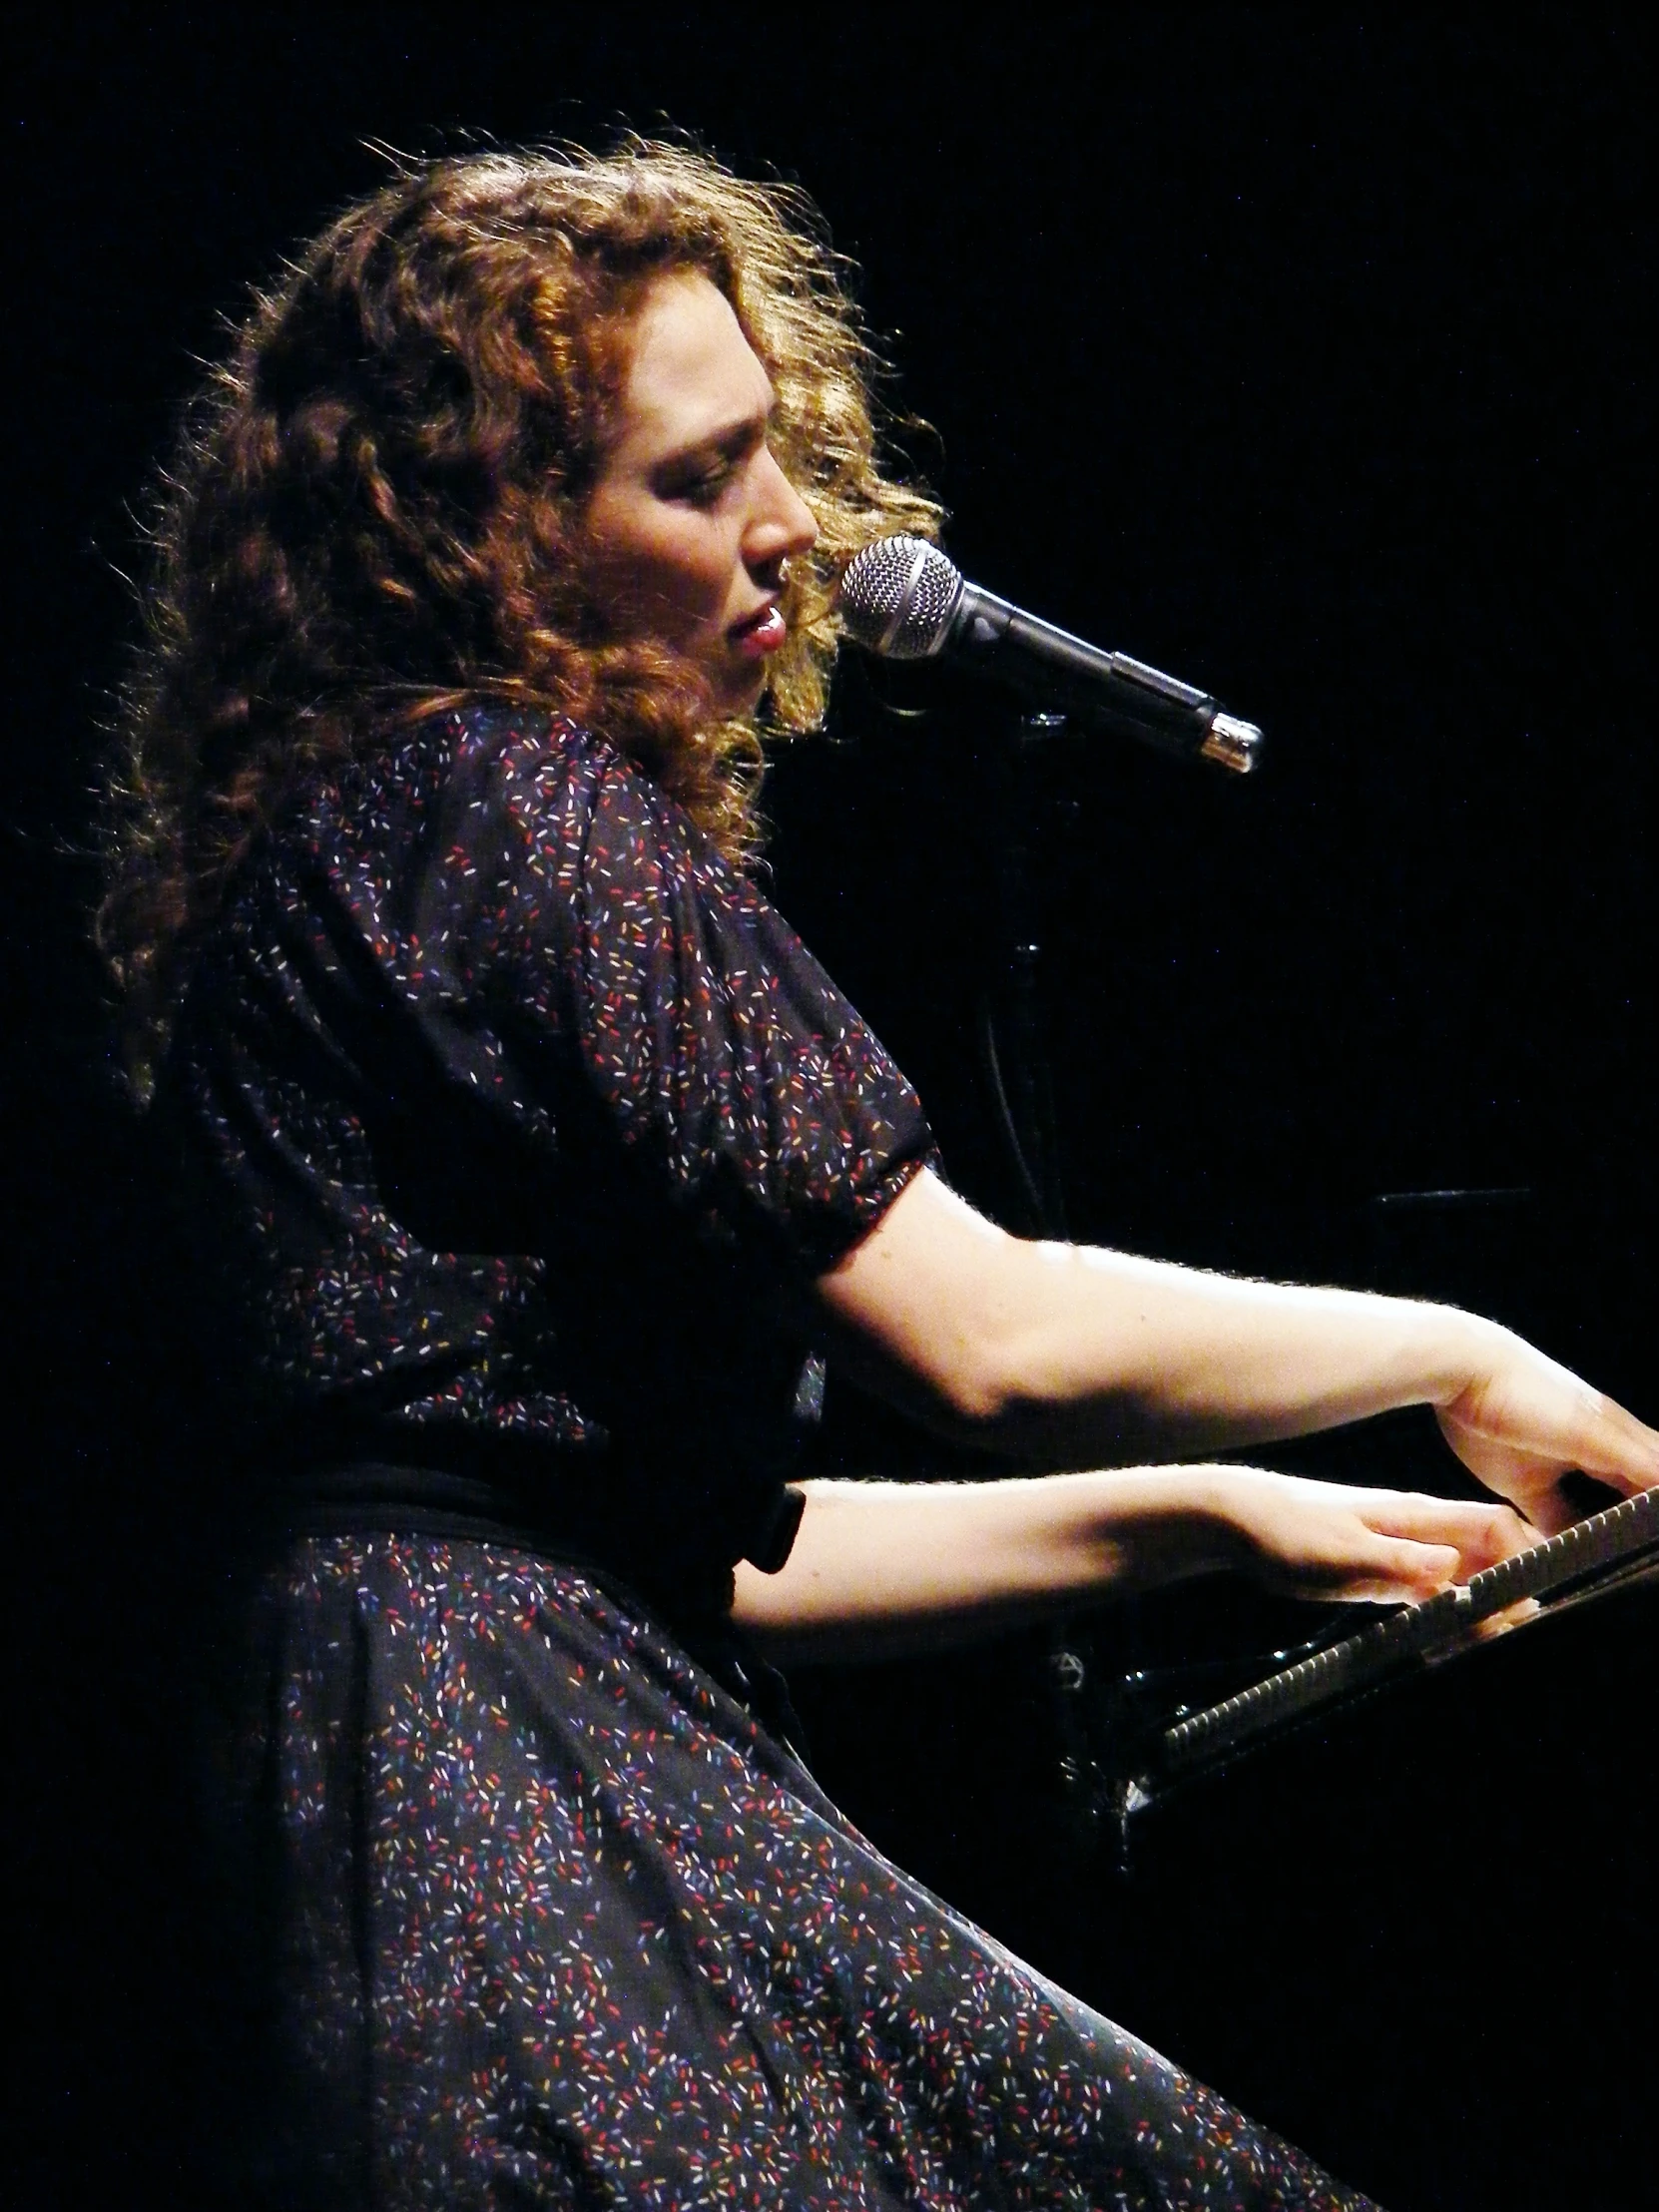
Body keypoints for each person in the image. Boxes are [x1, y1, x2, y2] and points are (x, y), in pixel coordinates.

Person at [99, 142, 1657, 2210]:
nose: (788, 532)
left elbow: (700, 1551)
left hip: (397, 1799)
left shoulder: (351, 836)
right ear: (492, 542)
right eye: (692, 478)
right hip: (531, 1818)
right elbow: (983, 1337)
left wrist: (1207, 1510)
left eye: (776, 452)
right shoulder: (513, 801)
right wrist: (1460, 1351)